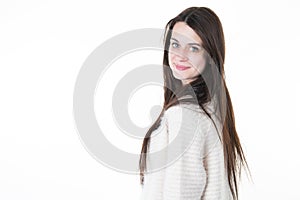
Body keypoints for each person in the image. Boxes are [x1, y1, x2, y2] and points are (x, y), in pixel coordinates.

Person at [139, 7, 249, 200]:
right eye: (175, 44)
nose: (180, 55)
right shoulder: (212, 108)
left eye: (193, 48)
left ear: (210, 55)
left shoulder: (183, 115)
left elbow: (180, 192)